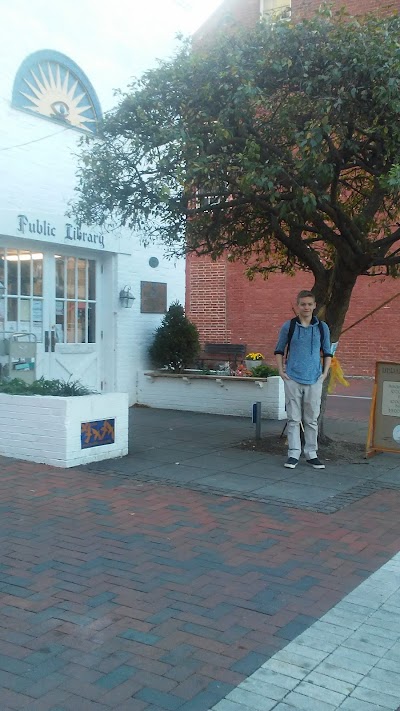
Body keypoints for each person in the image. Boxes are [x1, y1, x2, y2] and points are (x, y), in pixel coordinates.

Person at [274, 290, 332, 469]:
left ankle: (312, 453)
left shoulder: (322, 327)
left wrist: (324, 374)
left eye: (309, 304)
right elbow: (279, 349)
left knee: (311, 419)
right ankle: (293, 454)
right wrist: (281, 371)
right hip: (293, 378)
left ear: (314, 306)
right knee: (293, 419)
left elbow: (327, 352)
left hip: (314, 379)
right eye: (303, 304)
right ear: (297, 306)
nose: (306, 307)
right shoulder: (289, 326)